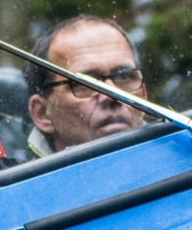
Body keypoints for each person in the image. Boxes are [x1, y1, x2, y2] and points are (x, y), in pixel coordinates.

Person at [25, 16, 153, 151]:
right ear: (42, 113)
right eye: (85, 83)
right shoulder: (16, 171)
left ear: (143, 95)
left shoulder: (176, 146)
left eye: (124, 76)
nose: (112, 95)